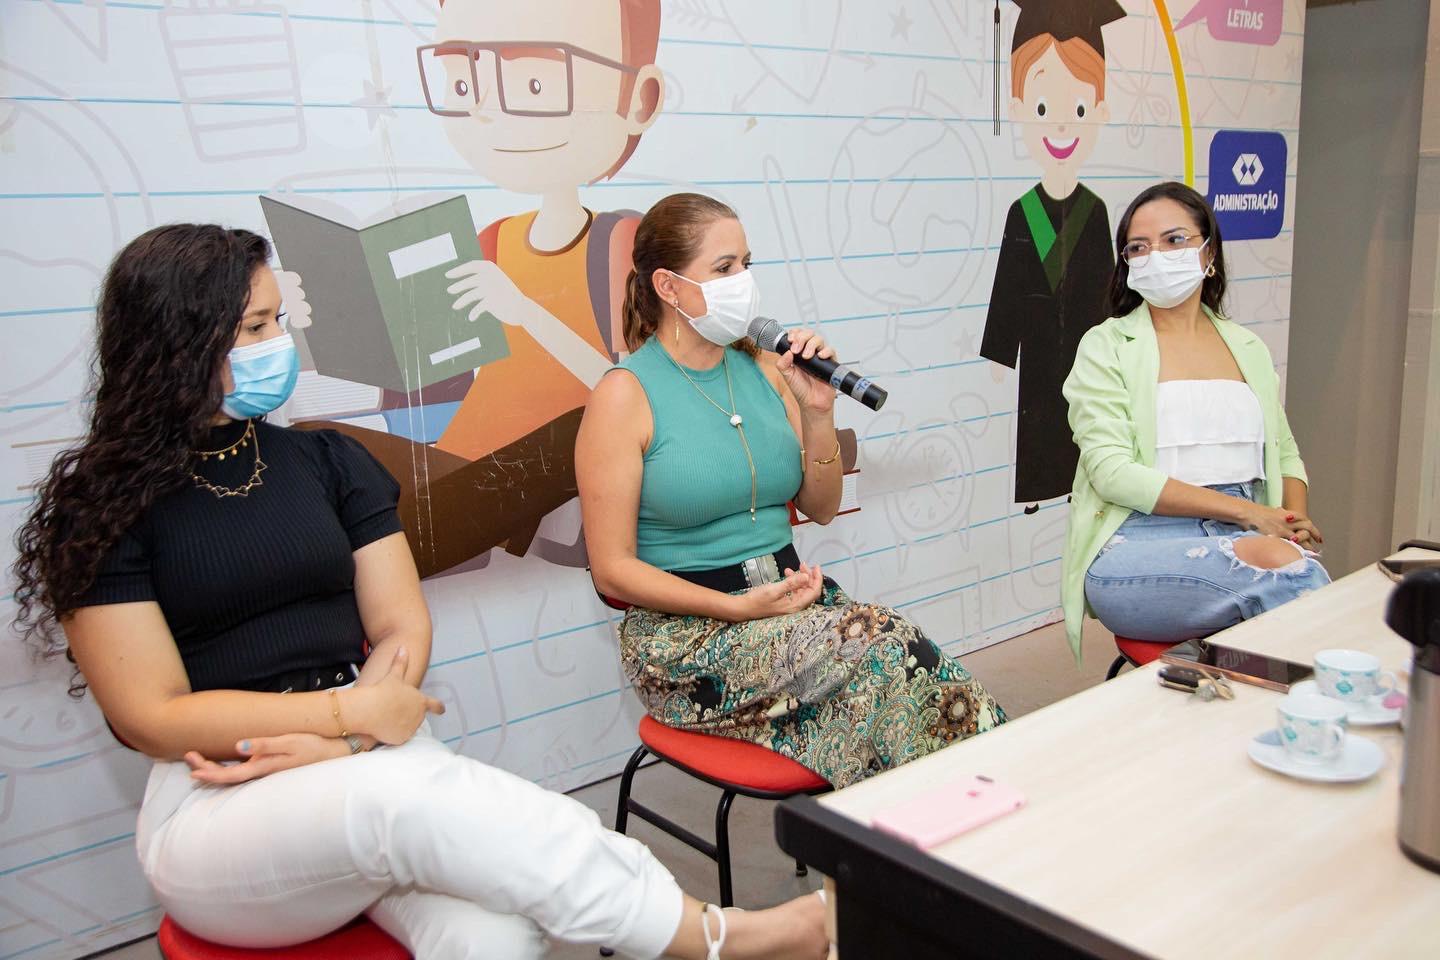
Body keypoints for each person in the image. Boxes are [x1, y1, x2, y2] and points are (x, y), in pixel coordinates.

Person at [9, 224, 826, 960]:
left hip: (369, 749)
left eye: (277, 323)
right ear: (176, 346)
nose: (277, 345)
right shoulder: (104, 504)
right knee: (406, 803)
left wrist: (351, 737)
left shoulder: (325, 463)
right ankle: (717, 938)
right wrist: (341, 721)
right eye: (253, 329)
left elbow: (401, 625)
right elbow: (148, 716)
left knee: (497, 932)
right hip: (220, 797)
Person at [575, 193, 1006, 790]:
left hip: (790, 612)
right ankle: (975, 824)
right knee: (884, 652)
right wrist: (734, 607)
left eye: (746, 264)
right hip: (686, 639)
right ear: (669, 288)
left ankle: (972, 822)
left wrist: (817, 411)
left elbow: (821, 507)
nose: (743, 282)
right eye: (723, 269)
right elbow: (612, 571)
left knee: (887, 689)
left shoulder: (763, 368)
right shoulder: (625, 395)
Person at [276, 0, 666, 574]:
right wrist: (310, 319)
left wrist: (526, 312)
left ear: (637, 100)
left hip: (544, 464)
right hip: (466, 456)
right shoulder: (496, 238)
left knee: (358, 528)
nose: (489, 115)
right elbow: (424, 362)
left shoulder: (617, 241)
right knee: (314, 442)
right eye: (464, 82)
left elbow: (638, 396)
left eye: (535, 82)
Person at [1060, 182, 1331, 657]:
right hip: (1135, 542)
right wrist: (1252, 516)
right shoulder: (1106, 346)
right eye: (1138, 247)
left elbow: (1284, 452)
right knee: (1293, 577)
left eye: (1174, 239)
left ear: (1209, 252)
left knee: (1289, 569)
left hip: (1250, 531)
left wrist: (1292, 517)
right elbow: (1112, 474)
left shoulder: (1247, 346)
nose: (1155, 255)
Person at [981, 0, 1124, 513]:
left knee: (1081, 414)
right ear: (1019, 106)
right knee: (1040, 410)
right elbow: (1007, 285)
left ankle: (1079, 482)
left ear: (1099, 113)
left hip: (1085, 342)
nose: (1062, 126)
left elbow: (1109, 283)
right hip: (1038, 342)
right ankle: (1040, 490)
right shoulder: (1022, 212)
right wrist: (1001, 352)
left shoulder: (1097, 210)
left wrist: (1114, 343)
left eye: (1079, 110)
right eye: (1043, 109)